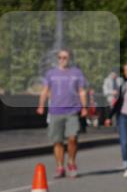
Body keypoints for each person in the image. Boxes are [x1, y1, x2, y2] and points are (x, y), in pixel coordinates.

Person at [36, 49, 88, 179]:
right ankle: (60, 167)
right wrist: (41, 105)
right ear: (57, 59)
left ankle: (71, 162)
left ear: (70, 59)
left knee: (73, 138)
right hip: (55, 111)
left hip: (72, 111)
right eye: (60, 57)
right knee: (57, 141)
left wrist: (84, 107)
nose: (62, 60)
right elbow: (45, 91)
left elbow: (82, 91)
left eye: (65, 57)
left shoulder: (77, 73)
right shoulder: (51, 74)